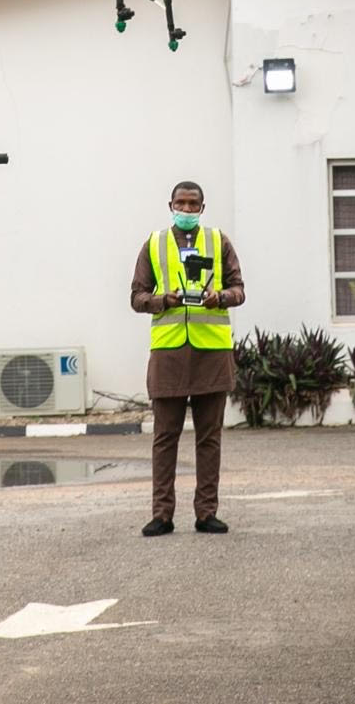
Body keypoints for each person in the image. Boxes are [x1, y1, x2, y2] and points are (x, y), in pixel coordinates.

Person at [130, 181, 245, 536]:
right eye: (180, 203)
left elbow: (239, 290)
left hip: (212, 352)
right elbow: (137, 297)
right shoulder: (154, 244)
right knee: (165, 437)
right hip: (169, 353)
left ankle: (206, 513)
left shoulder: (219, 241)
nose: (187, 210)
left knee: (209, 438)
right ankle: (162, 514)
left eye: (193, 204)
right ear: (170, 205)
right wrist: (163, 300)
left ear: (202, 207)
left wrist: (220, 297)